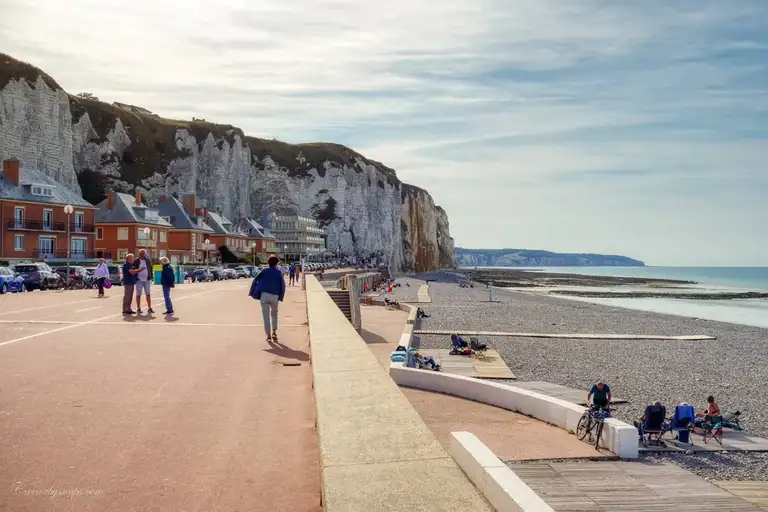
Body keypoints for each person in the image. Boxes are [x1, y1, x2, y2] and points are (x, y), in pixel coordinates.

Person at [249, 254, 286, 342]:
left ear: (268, 262)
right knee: (274, 314)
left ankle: (268, 335)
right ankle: (274, 332)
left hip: (264, 295)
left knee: (265, 316)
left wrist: (253, 291)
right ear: (276, 263)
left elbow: (255, 280)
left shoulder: (264, 271)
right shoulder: (278, 273)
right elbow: (283, 286)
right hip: (275, 296)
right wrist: (281, 296)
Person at [134, 249, 154, 314]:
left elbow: (150, 268)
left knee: (148, 294)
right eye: (140, 254)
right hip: (139, 280)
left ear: (145, 254)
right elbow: (133, 269)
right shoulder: (136, 261)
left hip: (147, 280)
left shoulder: (148, 260)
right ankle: (138, 308)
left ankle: (149, 308)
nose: (141, 255)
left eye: (143, 254)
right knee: (138, 294)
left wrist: (151, 277)